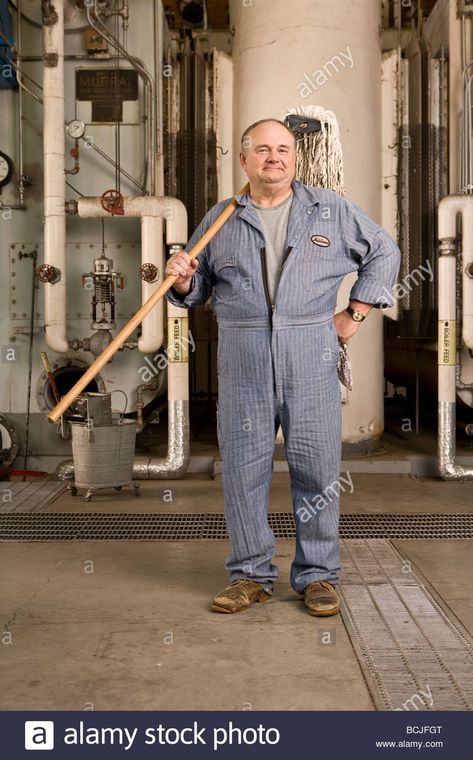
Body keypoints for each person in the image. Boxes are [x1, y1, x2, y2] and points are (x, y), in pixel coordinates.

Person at [165, 118, 400, 616]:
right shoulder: (221, 217)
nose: (274, 157)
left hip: (310, 353)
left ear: (294, 158)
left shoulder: (329, 211)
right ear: (245, 159)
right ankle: (250, 574)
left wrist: (355, 313)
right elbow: (198, 285)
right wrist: (182, 281)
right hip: (243, 356)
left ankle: (318, 576)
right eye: (263, 150)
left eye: (283, 149)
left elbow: (385, 251)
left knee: (316, 470)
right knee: (244, 471)